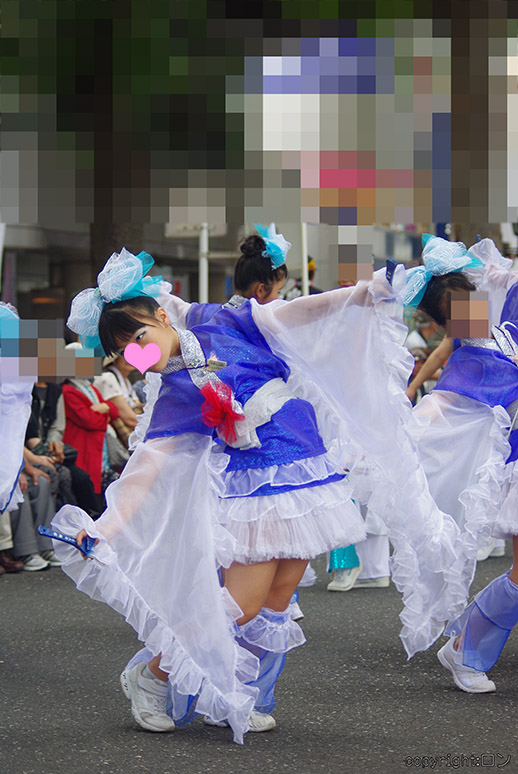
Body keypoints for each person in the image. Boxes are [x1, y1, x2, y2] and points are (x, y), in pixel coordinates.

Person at [51, 240, 466, 744]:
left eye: (139, 337)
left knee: (277, 599)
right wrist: (105, 529)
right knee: (241, 604)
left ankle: (242, 697)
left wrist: (362, 293)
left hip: (305, 471)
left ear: (163, 315)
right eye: (124, 354)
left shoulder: (221, 321)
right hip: (256, 491)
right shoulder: (177, 393)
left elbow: (291, 315)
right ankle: (152, 673)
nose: (138, 357)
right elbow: (148, 465)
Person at [403, 236, 518, 693]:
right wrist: (401, 437)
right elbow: (440, 414)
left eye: (471, 301)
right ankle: (466, 649)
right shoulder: (470, 360)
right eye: (457, 311)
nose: (471, 312)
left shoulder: (505, 326)